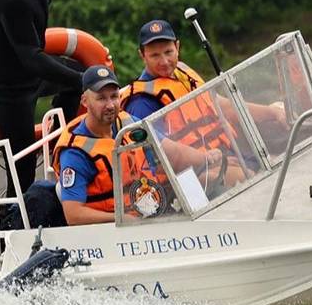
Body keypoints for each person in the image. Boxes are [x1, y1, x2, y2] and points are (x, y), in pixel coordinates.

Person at [120, 19, 287, 190]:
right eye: (155, 55)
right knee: (259, 178)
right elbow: (159, 158)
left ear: (177, 47)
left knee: (279, 161)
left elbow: (222, 106)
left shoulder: (183, 73)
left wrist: (272, 112)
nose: (164, 61)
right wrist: (209, 161)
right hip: (192, 177)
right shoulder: (142, 100)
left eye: (168, 52)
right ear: (142, 55)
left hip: (225, 155)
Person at [0, 0, 82, 196]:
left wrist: (81, 78)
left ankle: (58, 140)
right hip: (10, 90)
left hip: (33, 77)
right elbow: (30, 56)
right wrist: (81, 80)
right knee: (22, 174)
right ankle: (12, 219)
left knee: (79, 76)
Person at [52, 65, 162, 225]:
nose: (110, 105)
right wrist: (121, 218)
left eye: (114, 96)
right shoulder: (75, 153)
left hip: (151, 212)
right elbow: (73, 214)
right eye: (101, 98)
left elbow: (170, 150)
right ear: (85, 101)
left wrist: (201, 160)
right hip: (109, 229)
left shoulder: (128, 122)